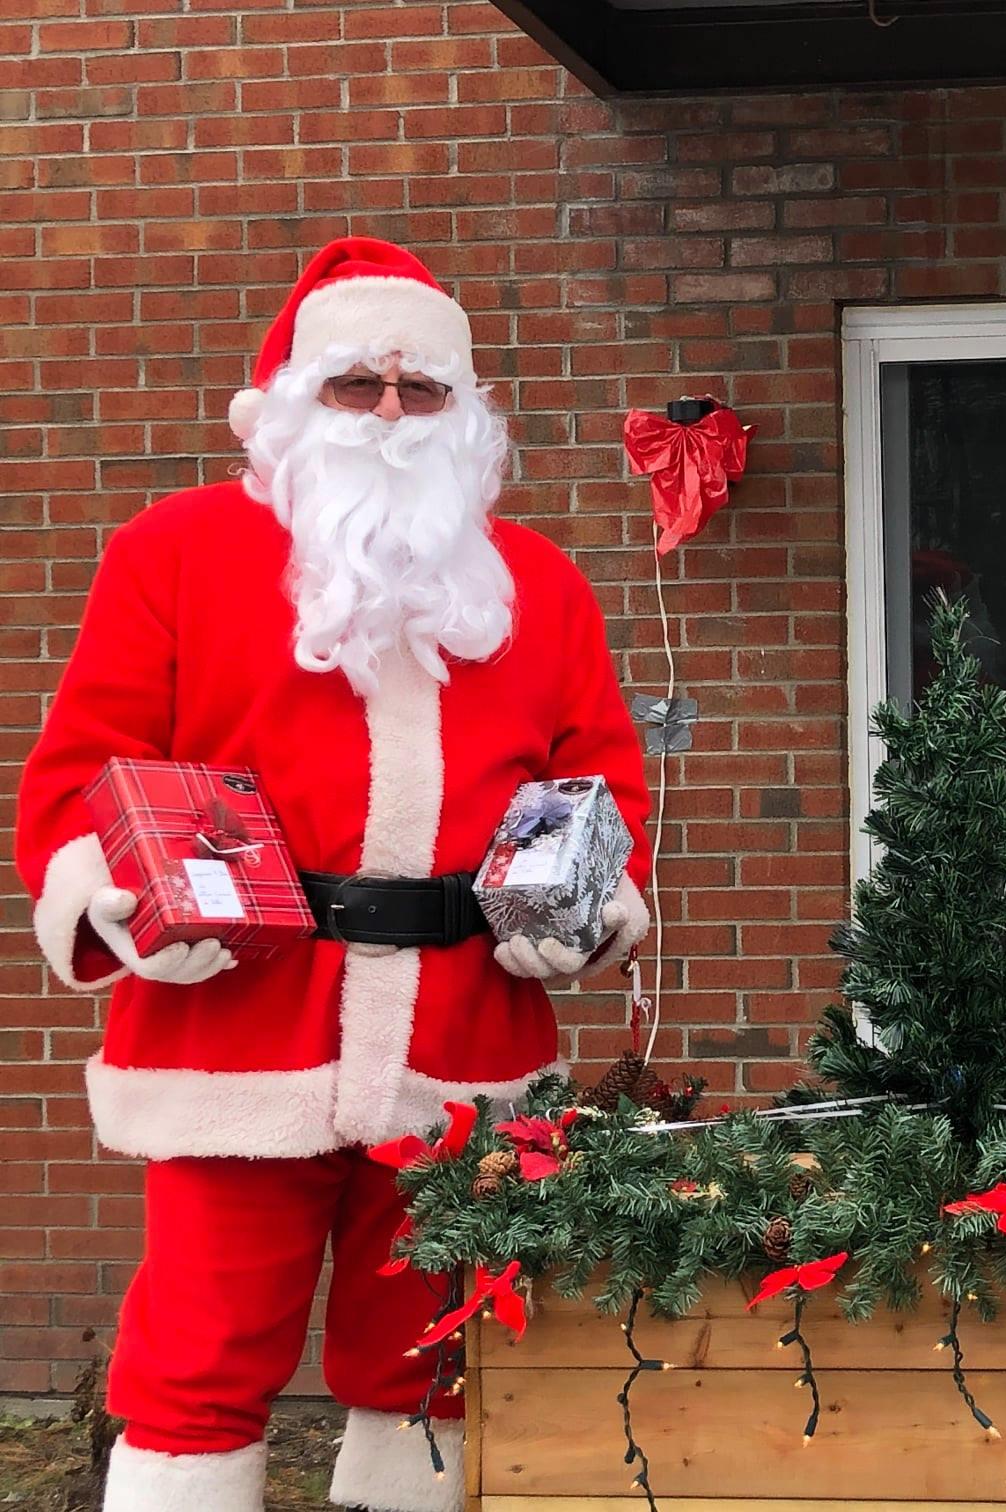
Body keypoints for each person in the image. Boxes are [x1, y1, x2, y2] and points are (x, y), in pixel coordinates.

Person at [14, 237, 652, 1512]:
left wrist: (589, 909)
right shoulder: (174, 551)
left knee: (437, 1361)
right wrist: (116, 902)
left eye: (424, 390)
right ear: (294, 400)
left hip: (464, 1039)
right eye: (361, 384)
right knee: (196, 1360)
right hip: (236, 1022)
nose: (393, 415)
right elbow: (87, 766)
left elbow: (600, 783)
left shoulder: (539, 584)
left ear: (467, 412)